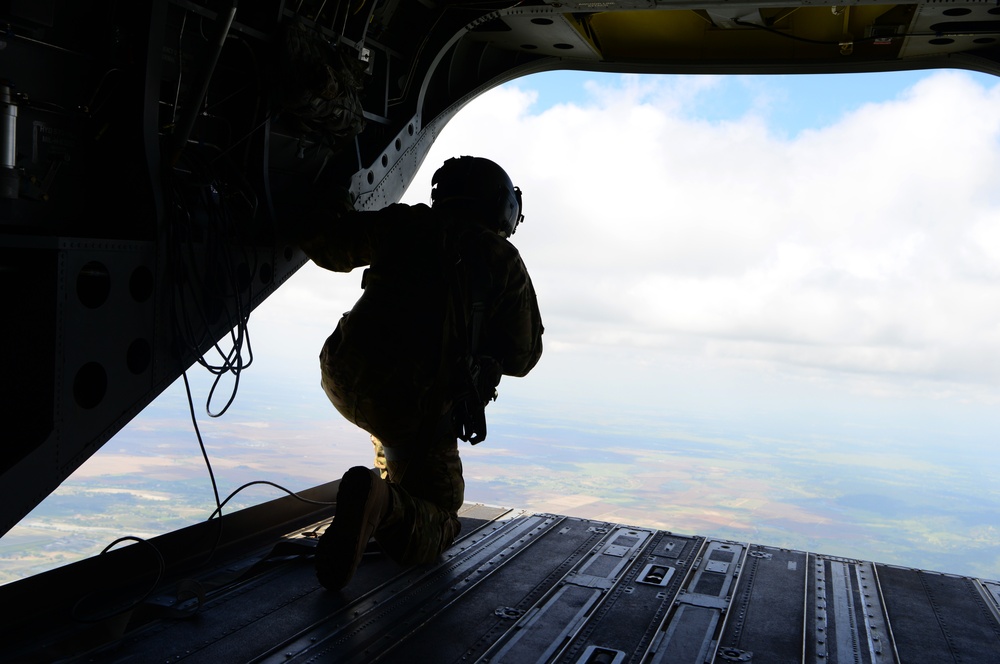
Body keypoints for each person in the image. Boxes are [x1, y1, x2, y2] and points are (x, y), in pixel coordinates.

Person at [296, 156, 544, 590]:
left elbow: (327, 244)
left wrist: (333, 184)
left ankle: (382, 487)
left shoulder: (406, 224)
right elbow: (523, 357)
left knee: (396, 428)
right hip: (412, 402)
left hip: (344, 374)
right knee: (443, 516)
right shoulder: (501, 259)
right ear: (501, 206)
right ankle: (382, 503)